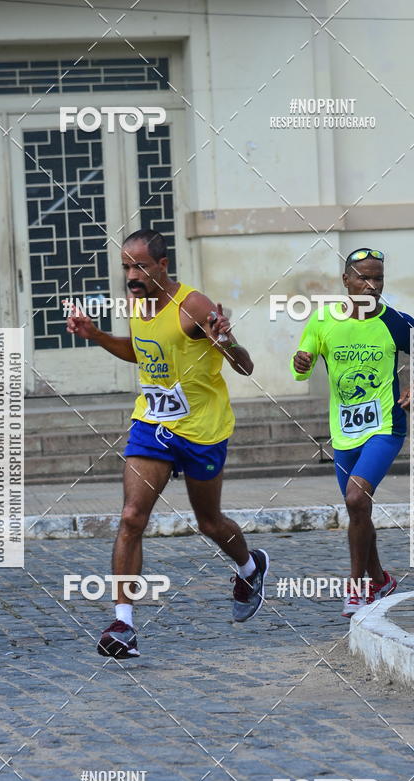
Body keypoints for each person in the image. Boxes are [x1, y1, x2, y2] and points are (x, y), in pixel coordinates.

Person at [67, 228, 269, 658]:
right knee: (131, 517)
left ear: (162, 265)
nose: (132, 275)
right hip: (153, 424)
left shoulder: (192, 305)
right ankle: (123, 625)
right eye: (126, 266)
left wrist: (227, 342)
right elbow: (142, 352)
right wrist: (98, 335)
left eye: (140, 266)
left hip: (202, 429)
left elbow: (245, 367)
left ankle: (249, 568)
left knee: (210, 522)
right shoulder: (138, 303)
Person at [291, 248, 414, 617]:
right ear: (345, 280)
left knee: (357, 500)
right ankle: (380, 579)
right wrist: (300, 361)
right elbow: (301, 367)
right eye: (363, 277)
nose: (371, 285)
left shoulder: (397, 321)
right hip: (344, 431)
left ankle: (357, 587)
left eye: (378, 278)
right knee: (358, 507)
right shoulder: (323, 321)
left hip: (386, 425)